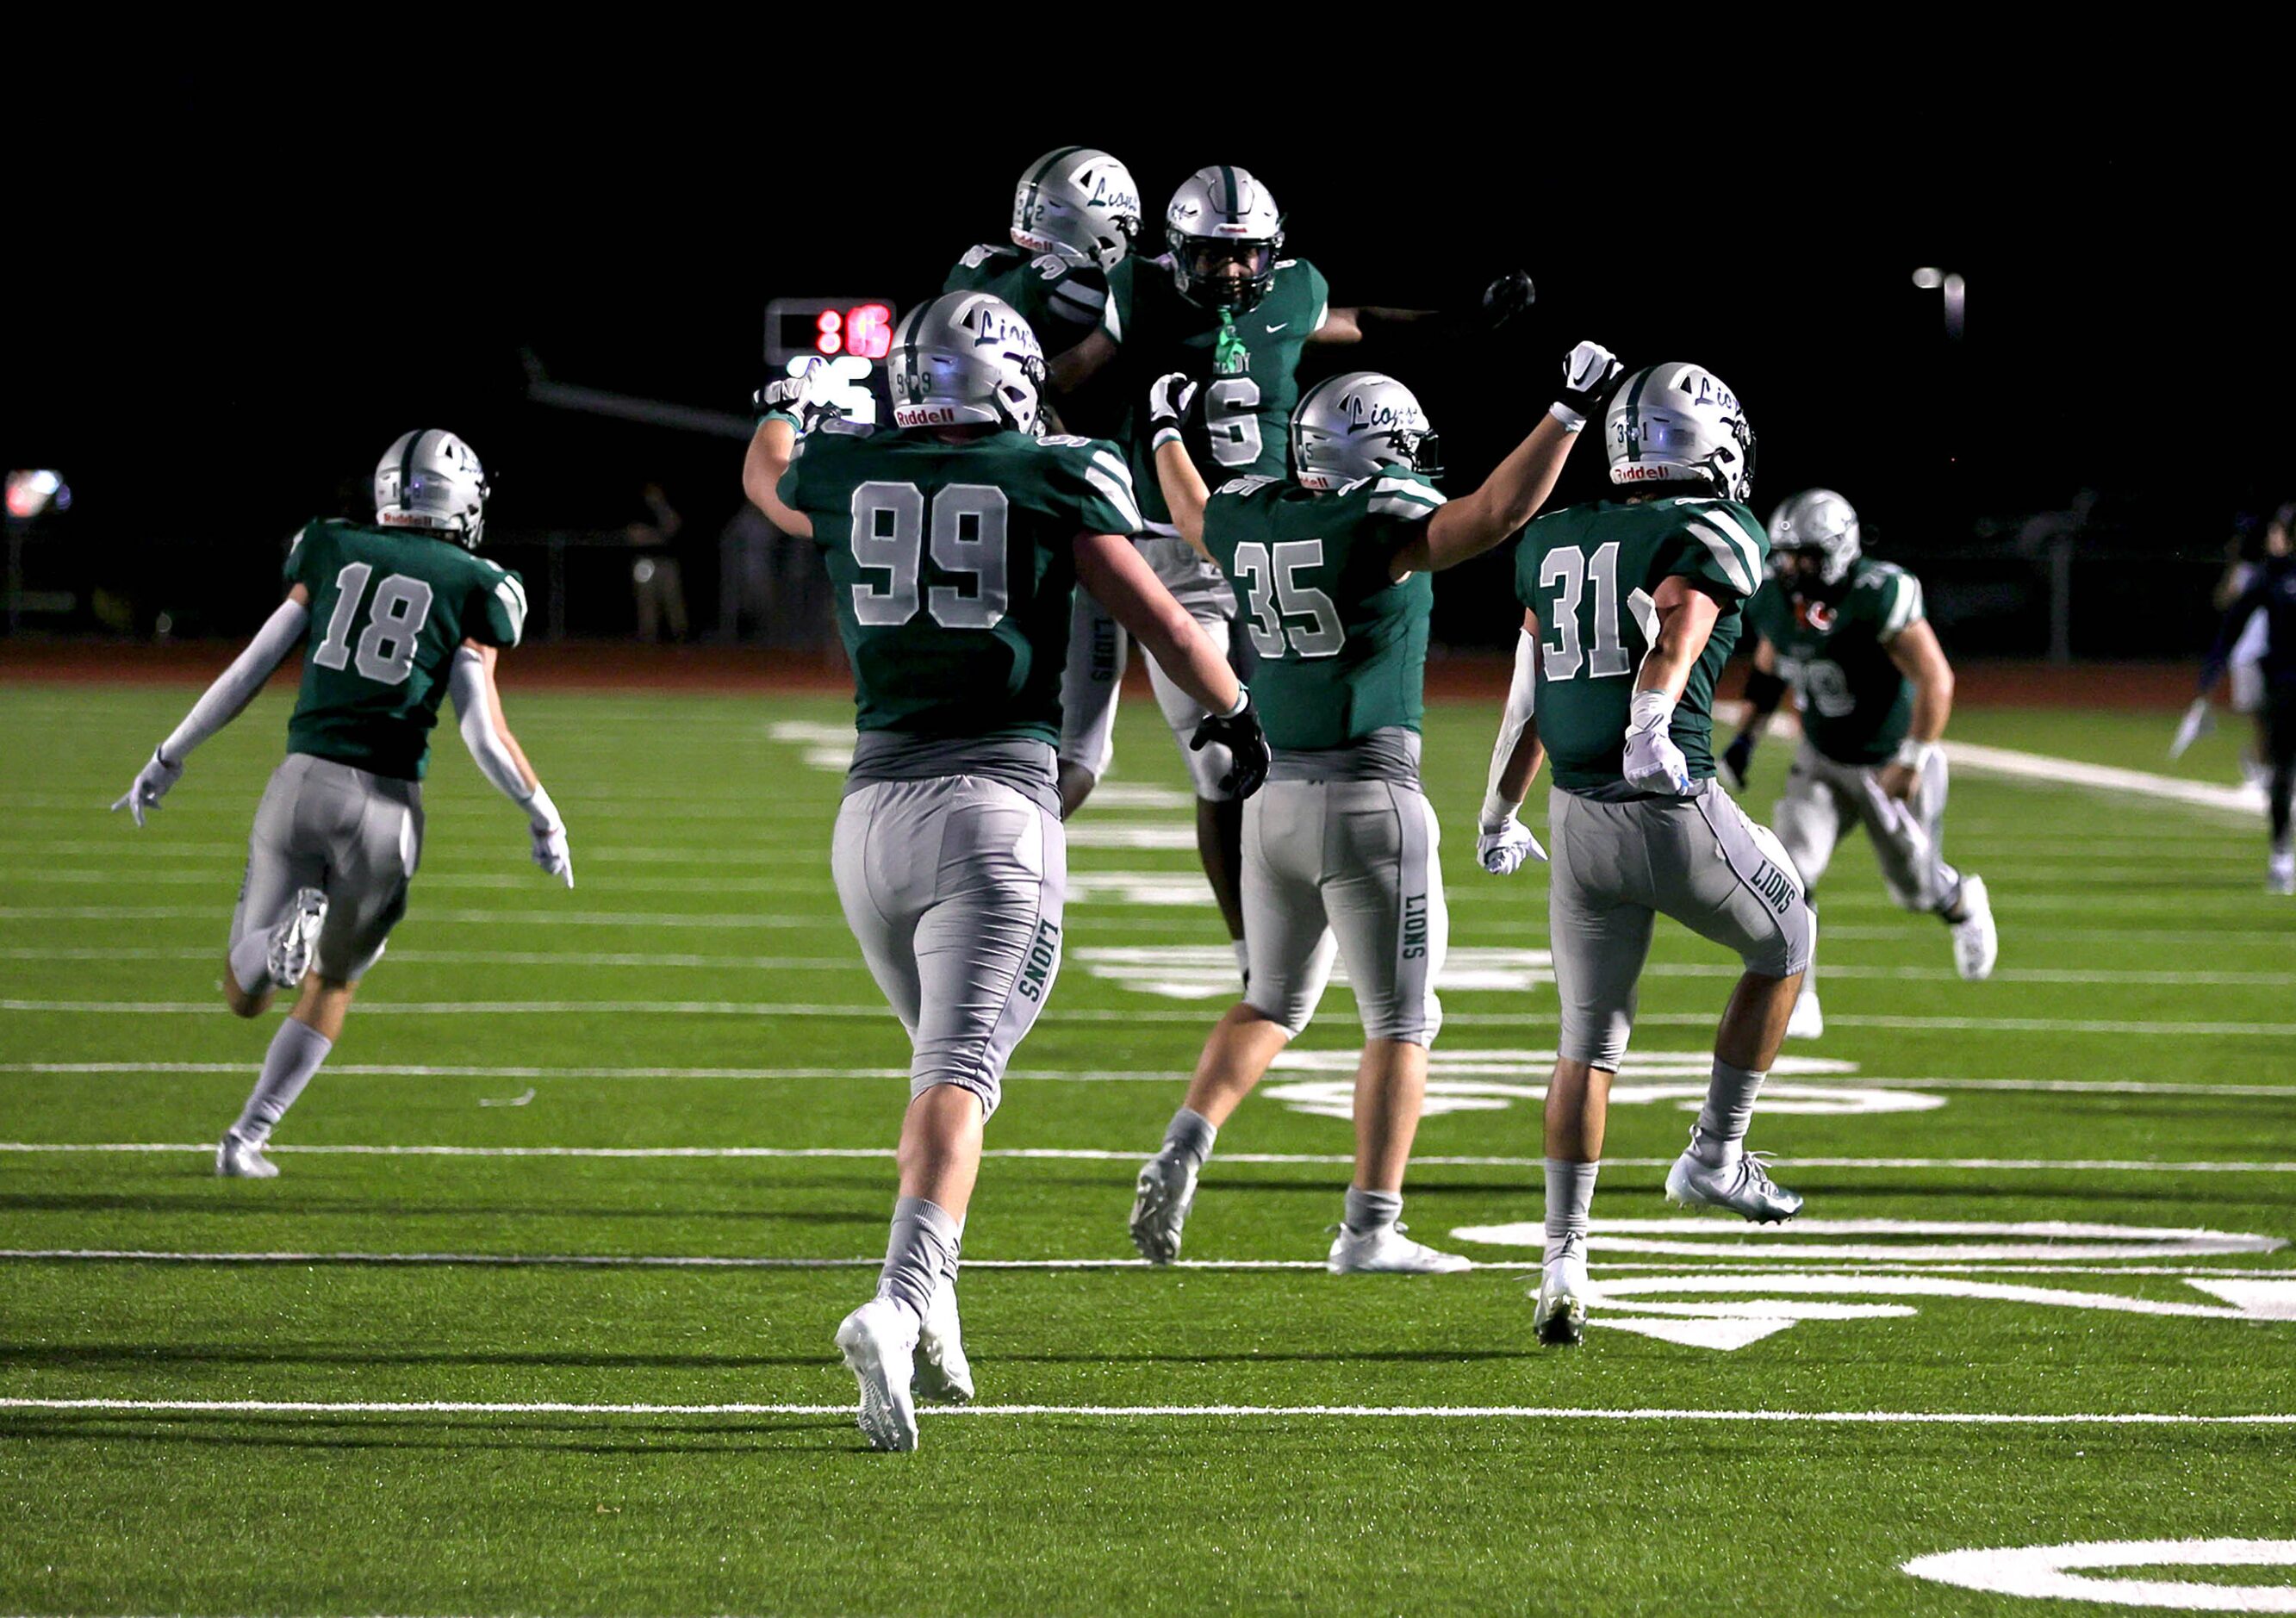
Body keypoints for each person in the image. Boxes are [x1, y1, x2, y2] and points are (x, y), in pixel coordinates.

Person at [742, 292, 1269, 1452]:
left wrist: (782, 406)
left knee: (948, 1074)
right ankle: (894, 1297)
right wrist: (1236, 714)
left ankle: (937, 1312)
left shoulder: (843, 467)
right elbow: (1169, 625)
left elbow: (769, 480)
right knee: (958, 1076)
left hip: (867, 816)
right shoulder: (1053, 473)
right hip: (992, 813)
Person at [1128, 345, 1622, 1271]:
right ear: (1368, 450)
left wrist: (1163, 428)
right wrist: (1567, 410)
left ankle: (1182, 1148)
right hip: (1368, 802)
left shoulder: (1256, 512)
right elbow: (1499, 512)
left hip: (1268, 802)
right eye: (1399, 447)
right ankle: (1369, 1227)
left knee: (1270, 999)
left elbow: (1191, 513)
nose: (1412, 464)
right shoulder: (1377, 520)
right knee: (1401, 1023)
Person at [1071, 163, 1534, 993]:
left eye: (1247, 256)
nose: (1233, 273)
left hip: (1281, 532)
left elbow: (1355, 323)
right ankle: (1255, 952)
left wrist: (1460, 321)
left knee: (1305, 729)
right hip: (1171, 542)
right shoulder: (1134, 295)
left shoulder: (1294, 290)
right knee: (1221, 762)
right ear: (1177, 252)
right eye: (1214, 257)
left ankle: (1308, 927)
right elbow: (1072, 368)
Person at [112, 430, 573, 1177]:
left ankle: (273, 949)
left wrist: (170, 755)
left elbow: (253, 665)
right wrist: (542, 814)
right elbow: (483, 731)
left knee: (244, 988)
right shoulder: (476, 583)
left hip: (304, 783)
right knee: (335, 981)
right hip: (389, 809)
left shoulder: (330, 546)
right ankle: (246, 1140)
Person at [1478, 363, 1815, 1347]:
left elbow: (1526, 692)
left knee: (1588, 1043)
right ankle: (1715, 1155)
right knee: (1788, 939)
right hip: (1666, 806)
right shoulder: (1715, 528)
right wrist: (1650, 720)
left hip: (1579, 825)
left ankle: (1563, 1263)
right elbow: (1682, 614)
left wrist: (1499, 810)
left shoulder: (1553, 534)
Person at [1715, 489, 1996, 1037]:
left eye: (1806, 556)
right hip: (1819, 759)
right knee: (1788, 873)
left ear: (1839, 551)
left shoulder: (1877, 592)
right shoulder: (1777, 598)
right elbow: (1772, 661)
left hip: (1886, 762)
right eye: (1788, 555)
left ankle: (1962, 901)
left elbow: (1936, 677)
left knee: (1914, 887)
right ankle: (1800, 997)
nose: (1793, 567)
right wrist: (1746, 737)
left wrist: (1913, 758)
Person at [2185, 501, 2296, 892]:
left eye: (2279, 533)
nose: (2272, 539)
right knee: (2283, 775)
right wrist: (2210, 673)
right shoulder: (2271, 577)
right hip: (2285, 688)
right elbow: (2233, 624)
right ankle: (2282, 856)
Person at [628, 482, 688, 641]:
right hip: (645, 562)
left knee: (673, 598)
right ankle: (648, 635)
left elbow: (673, 527)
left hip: (666, 560)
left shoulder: (666, 509)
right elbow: (636, 535)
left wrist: (661, 507)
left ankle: (679, 633)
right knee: (646, 600)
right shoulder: (638, 510)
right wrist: (659, 536)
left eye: (656, 493)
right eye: (651, 493)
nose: (654, 496)